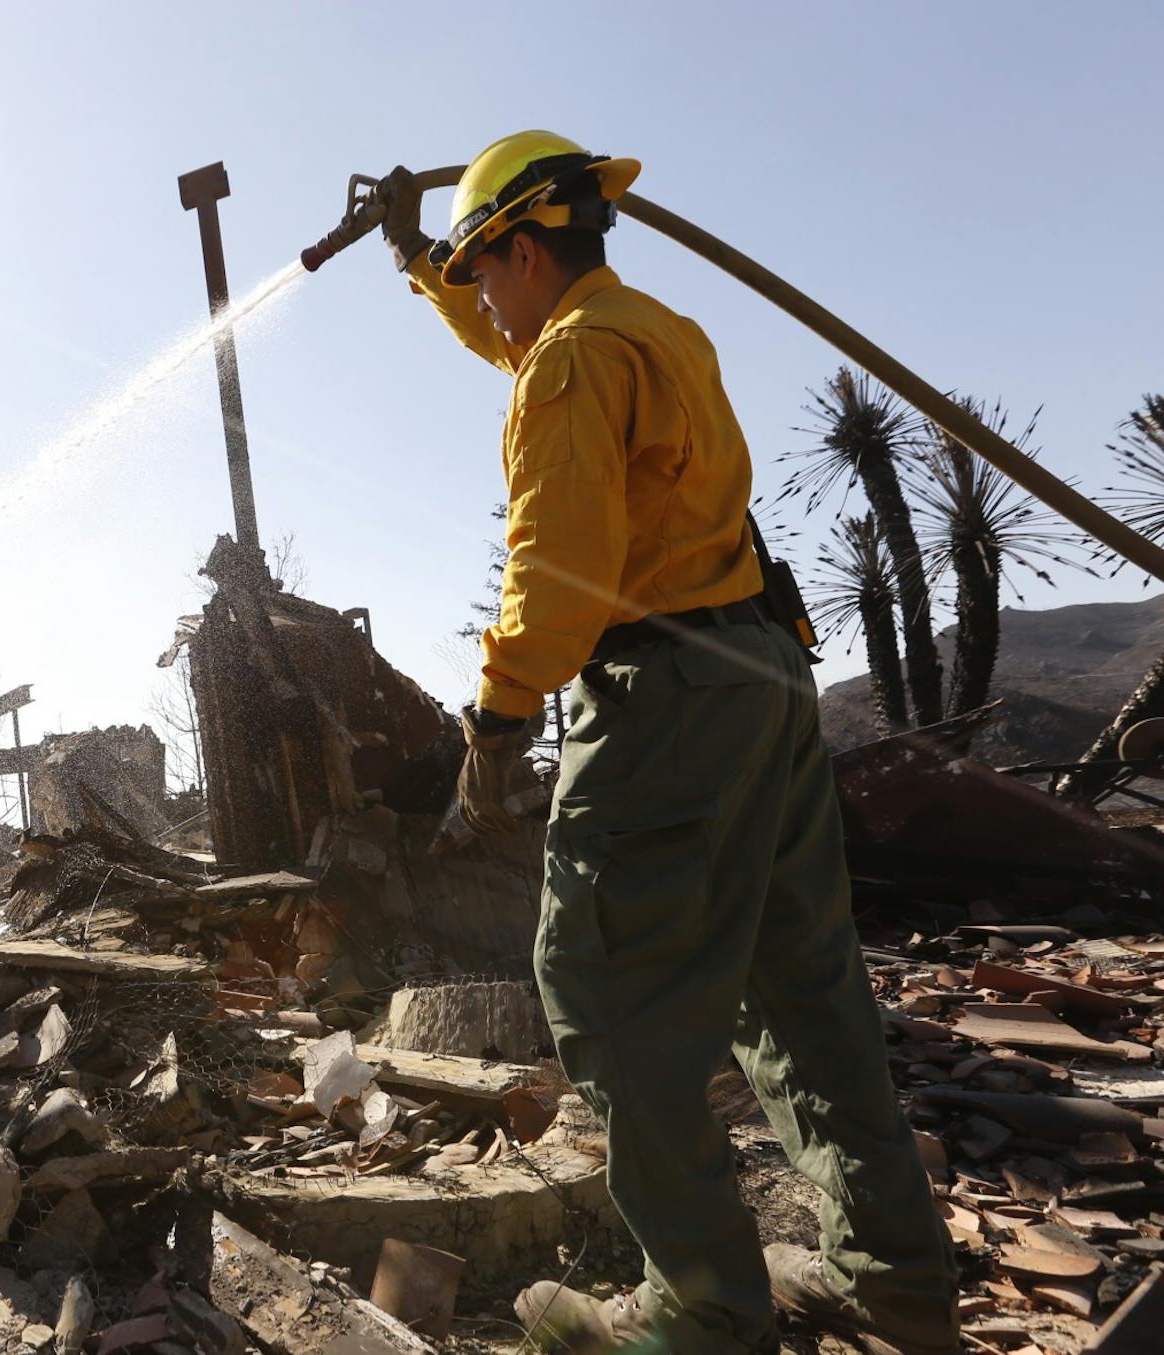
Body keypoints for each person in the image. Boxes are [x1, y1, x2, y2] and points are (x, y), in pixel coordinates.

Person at [376, 132, 958, 1354]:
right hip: (761, 672)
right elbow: (514, 341)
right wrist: (421, 260)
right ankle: (895, 1273)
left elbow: (559, 562)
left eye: (485, 270)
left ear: (526, 249)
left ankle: (701, 1306)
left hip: (670, 695)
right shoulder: (645, 328)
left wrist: (498, 715)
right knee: (801, 986)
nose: (483, 299)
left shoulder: (573, 366)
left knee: (605, 984)